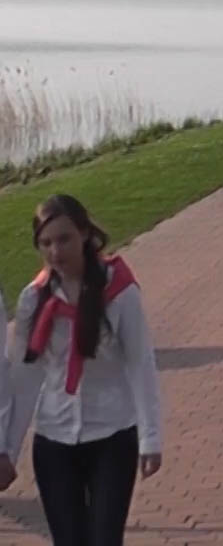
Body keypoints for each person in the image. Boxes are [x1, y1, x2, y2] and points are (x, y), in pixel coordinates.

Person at [3, 194, 164, 545]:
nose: (55, 251)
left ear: (85, 234)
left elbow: (140, 363)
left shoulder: (118, 290)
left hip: (112, 436)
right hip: (54, 439)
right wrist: (7, 451)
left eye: (64, 239)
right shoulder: (34, 298)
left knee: (105, 539)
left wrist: (151, 438)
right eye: (46, 243)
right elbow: (24, 379)